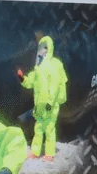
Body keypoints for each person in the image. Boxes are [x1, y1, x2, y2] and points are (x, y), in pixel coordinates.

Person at [18, 32, 68, 161]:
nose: (42, 51)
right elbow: (31, 82)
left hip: (50, 105)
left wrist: (50, 103)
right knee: (39, 128)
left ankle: (50, 154)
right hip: (39, 104)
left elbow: (55, 86)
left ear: (49, 48)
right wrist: (23, 79)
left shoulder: (54, 66)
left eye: (44, 48)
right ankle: (35, 151)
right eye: (41, 48)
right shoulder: (38, 68)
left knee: (49, 128)